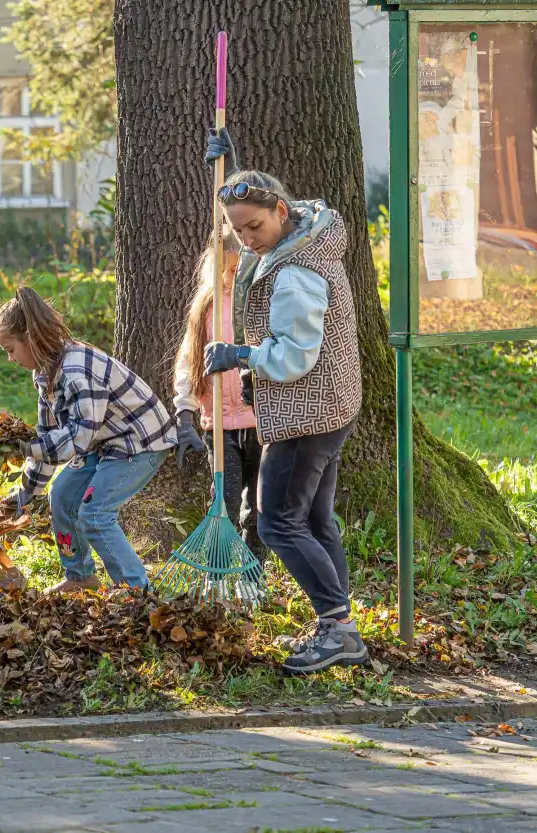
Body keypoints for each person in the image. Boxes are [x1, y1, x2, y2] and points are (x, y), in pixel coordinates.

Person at [203, 134, 367, 675]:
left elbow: (295, 355)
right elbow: (243, 213)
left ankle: (338, 628)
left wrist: (240, 354)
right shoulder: (299, 236)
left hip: (308, 413)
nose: (246, 239)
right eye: (236, 229)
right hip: (330, 406)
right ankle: (341, 626)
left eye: (254, 227)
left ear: (280, 211)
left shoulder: (297, 271)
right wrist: (225, 169)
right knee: (316, 518)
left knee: (276, 522)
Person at [0, 286, 176, 592]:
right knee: (61, 495)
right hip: (103, 442)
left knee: (95, 513)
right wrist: (27, 493)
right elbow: (49, 437)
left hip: (138, 442)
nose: (10, 358)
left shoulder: (76, 371)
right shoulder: (44, 372)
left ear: (32, 338)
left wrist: (26, 447)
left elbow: (75, 439)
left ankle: (134, 590)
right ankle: (80, 577)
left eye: (10, 349)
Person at [173, 229, 267, 566]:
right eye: (225, 270)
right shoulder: (205, 307)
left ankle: (252, 573)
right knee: (222, 505)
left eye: (236, 270)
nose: (230, 278)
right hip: (219, 424)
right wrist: (184, 412)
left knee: (257, 508)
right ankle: (217, 571)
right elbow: (188, 361)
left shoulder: (260, 303)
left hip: (260, 422)